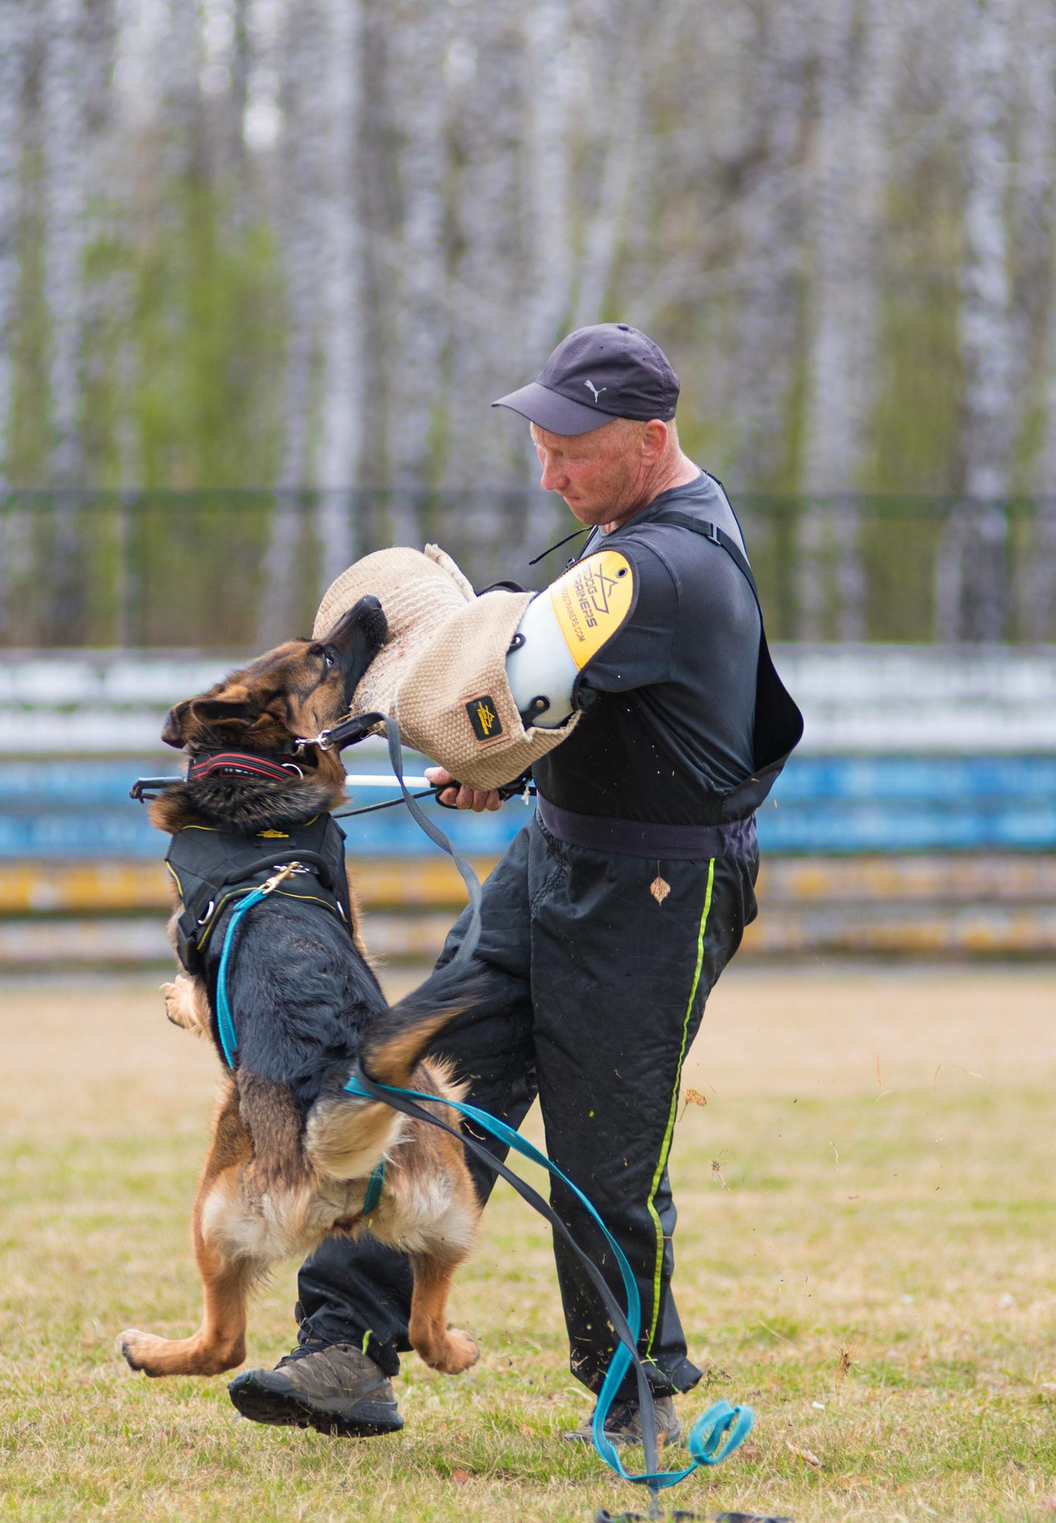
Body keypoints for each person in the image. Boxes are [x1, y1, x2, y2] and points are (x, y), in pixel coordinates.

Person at [226, 324, 804, 1440]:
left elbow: (511, 683)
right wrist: (507, 772)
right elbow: (565, 715)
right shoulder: (630, 530)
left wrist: (472, 729)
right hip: (560, 854)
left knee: (604, 1147)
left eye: (573, 449)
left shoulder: (656, 563)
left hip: (657, 893)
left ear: (650, 435)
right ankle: (342, 1348)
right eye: (540, 445)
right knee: (406, 1075)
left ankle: (635, 1396)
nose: (549, 472)